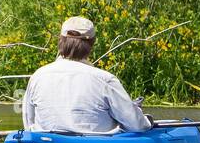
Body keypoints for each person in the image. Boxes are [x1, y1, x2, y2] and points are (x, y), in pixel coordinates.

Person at [21, 16, 153, 134]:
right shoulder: (105, 80)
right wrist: (146, 119)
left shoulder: (38, 76)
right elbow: (136, 125)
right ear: (91, 44)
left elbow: (29, 124)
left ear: (60, 41)